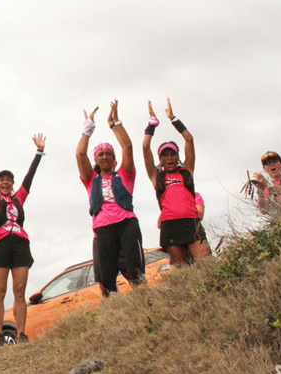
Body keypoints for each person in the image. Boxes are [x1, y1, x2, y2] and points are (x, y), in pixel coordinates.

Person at [0, 132, 45, 346]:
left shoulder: (18, 198)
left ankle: (21, 333)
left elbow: (29, 179)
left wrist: (39, 152)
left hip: (20, 244)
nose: (6, 183)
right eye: (2, 180)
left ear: (12, 184)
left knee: (19, 290)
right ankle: (0, 334)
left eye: (9, 180)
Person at [76, 101, 145, 296]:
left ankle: (144, 304)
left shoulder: (125, 174)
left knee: (135, 271)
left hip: (127, 224)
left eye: (108, 154)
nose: (105, 157)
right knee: (106, 278)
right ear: (96, 160)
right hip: (103, 228)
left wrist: (115, 124)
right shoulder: (91, 179)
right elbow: (80, 153)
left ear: (114, 160)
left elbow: (128, 146)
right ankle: (112, 312)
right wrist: (87, 129)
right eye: (101, 154)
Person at [142, 99, 209, 266]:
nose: (169, 157)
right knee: (180, 268)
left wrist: (173, 119)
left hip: (191, 222)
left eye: (173, 154)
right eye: (165, 155)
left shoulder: (187, 171)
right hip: (170, 224)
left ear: (178, 156)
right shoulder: (157, 175)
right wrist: (151, 125)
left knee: (207, 264)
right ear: (161, 159)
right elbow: (145, 147)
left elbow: (189, 139)